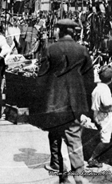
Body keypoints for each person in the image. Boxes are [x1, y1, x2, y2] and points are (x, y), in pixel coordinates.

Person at [37, 19, 93, 184]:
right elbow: (90, 79)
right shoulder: (82, 50)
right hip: (75, 103)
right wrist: (85, 103)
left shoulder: (50, 49)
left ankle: (61, 173)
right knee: (74, 139)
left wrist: (42, 100)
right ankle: (78, 174)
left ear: (59, 31)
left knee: (55, 137)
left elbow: (41, 78)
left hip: (54, 102)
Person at [88, 66, 112, 168]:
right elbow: (107, 103)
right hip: (103, 116)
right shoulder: (104, 89)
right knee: (105, 140)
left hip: (97, 113)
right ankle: (93, 158)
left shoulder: (98, 87)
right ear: (111, 78)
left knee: (104, 136)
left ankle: (100, 156)